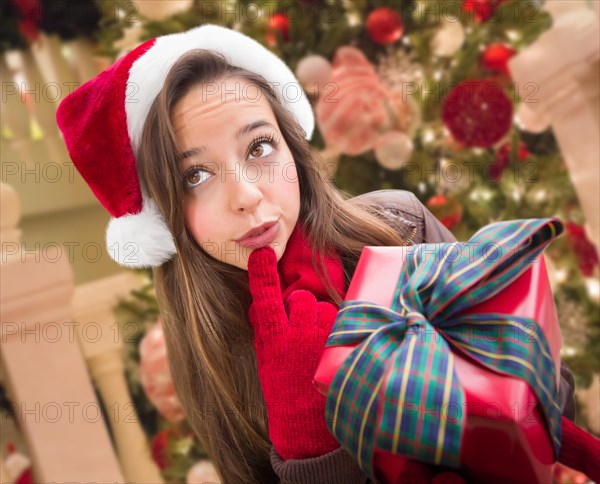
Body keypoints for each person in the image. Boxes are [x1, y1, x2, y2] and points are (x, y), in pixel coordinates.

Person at [57, 24, 594, 484]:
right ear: (167, 214)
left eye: (259, 147)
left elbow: (553, 399)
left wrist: (473, 382)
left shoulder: (395, 226)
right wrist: (310, 449)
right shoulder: (208, 350)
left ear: (292, 147)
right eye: (194, 175)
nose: (245, 195)